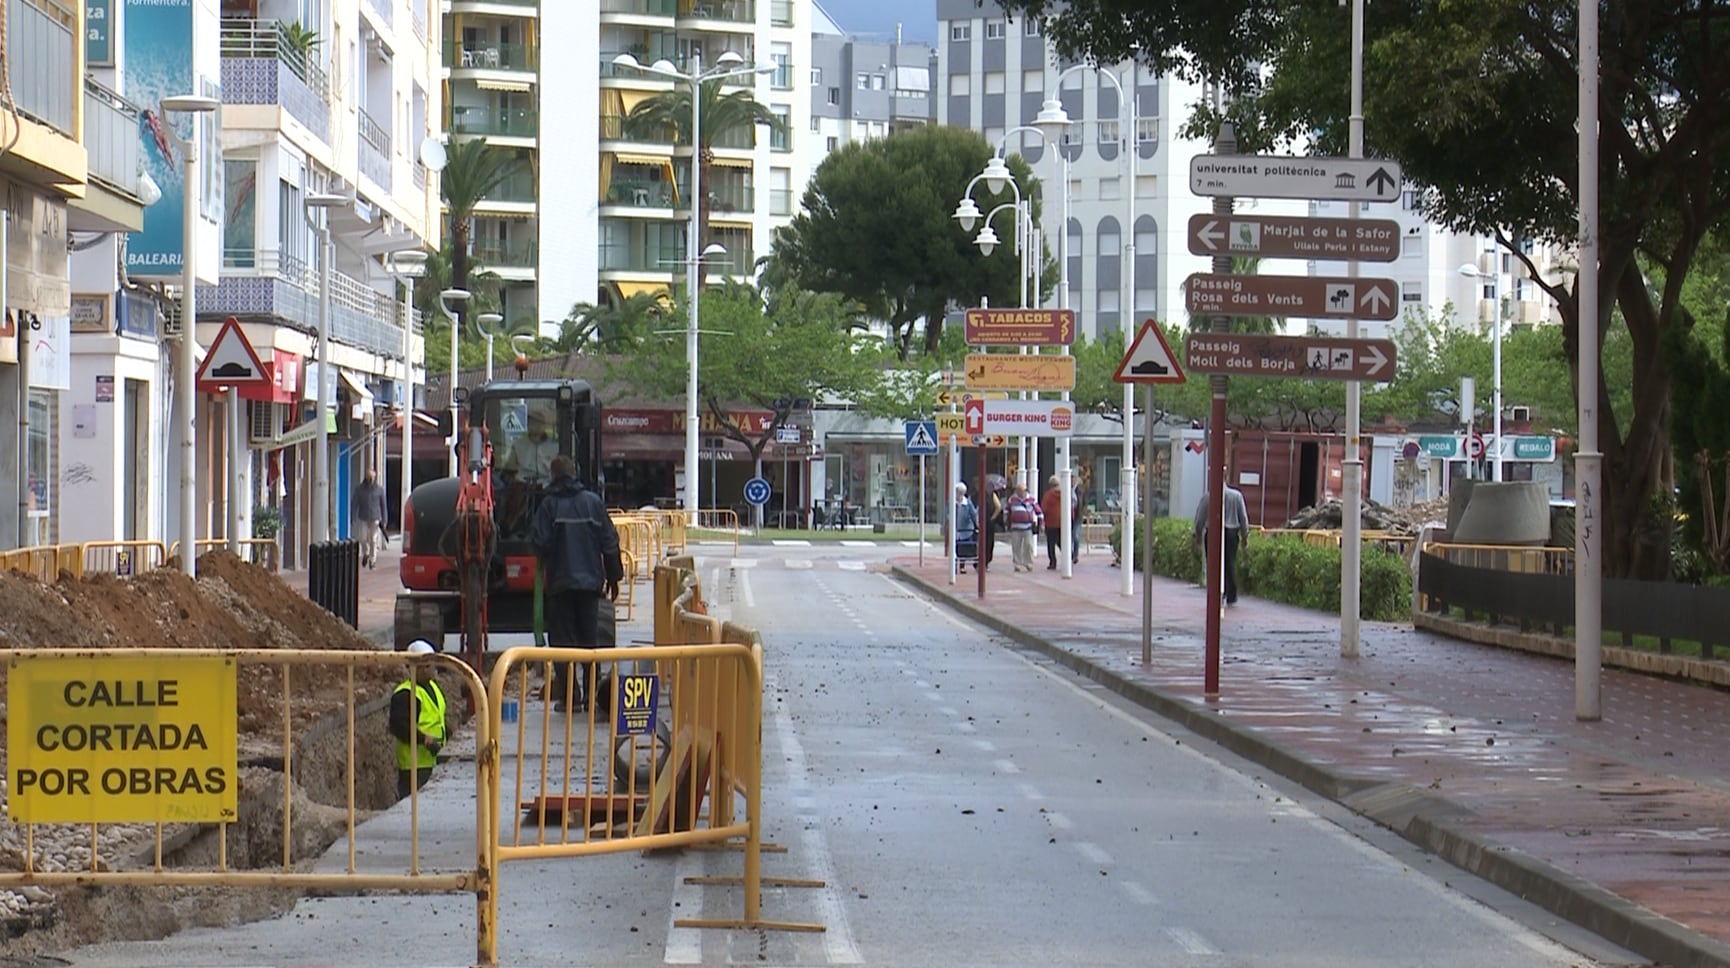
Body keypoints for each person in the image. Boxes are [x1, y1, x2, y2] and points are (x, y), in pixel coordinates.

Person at [532, 456, 624, 712]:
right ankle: (592, 697)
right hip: (590, 586)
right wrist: (614, 577)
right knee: (590, 643)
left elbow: (540, 542)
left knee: (563, 645)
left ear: (553, 475)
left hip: (560, 585)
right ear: (575, 474)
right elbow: (609, 542)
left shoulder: (548, 506)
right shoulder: (594, 503)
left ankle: (571, 698)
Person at [390, 640, 447, 800]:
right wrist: (425, 740)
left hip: (433, 760)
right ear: (411, 668)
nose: (425, 670)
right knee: (414, 808)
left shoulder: (434, 688)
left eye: (428, 665)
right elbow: (399, 726)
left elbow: (439, 719)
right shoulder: (405, 694)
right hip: (415, 766)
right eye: (421, 666)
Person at [1192, 483, 1251, 605]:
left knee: (1213, 564)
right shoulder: (1237, 496)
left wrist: (1198, 536)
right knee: (1229, 563)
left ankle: (1216, 592)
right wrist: (1245, 536)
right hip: (1231, 532)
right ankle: (1231, 594)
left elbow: (1199, 519)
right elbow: (1243, 518)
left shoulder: (1208, 497)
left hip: (1213, 532)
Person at [506, 406, 560, 482]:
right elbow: (509, 468)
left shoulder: (555, 446)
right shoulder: (518, 444)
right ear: (528, 424)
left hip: (549, 486)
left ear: (545, 425)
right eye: (533, 422)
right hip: (522, 486)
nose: (537, 425)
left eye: (540, 423)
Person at [1041, 475, 1081, 570]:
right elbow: (1070, 508)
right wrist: (1070, 520)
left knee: (1051, 543)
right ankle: (1069, 555)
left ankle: (1053, 562)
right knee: (1062, 542)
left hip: (1050, 523)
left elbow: (1044, 508)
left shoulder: (1048, 495)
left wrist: (1042, 520)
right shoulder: (1065, 494)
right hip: (1063, 522)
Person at [352, 470, 389, 568]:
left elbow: (383, 505)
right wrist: (353, 517)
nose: (371, 480)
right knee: (363, 538)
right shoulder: (359, 489)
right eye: (369, 477)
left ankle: (373, 560)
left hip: (375, 517)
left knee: (373, 539)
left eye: (372, 478)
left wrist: (385, 519)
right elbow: (354, 503)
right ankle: (366, 553)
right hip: (363, 516)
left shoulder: (379, 490)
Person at [1006, 482, 1044, 571]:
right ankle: (1017, 564)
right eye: (1018, 490)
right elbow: (1007, 511)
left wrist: (1042, 523)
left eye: (1022, 491)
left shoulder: (1031, 500)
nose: (1020, 493)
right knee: (1016, 546)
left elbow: (1039, 512)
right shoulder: (1012, 499)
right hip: (1015, 527)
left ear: (1025, 491)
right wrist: (1007, 521)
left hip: (1028, 527)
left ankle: (1028, 563)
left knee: (1029, 545)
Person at [948, 481, 979, 574]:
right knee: (957, 548)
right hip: (956, 530)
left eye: (961, 493)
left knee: (966, 548)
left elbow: (973, 514)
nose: (959, 495)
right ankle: (955, 566)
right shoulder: (952, 502)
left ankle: (962, 566)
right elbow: (948, 513)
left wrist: (977, 525)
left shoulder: (967, 502)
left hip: (967, 529)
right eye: (958, 492)